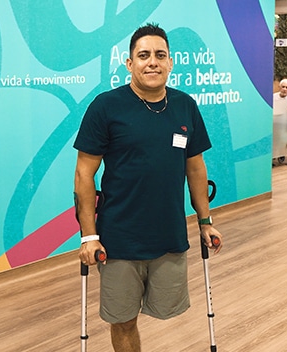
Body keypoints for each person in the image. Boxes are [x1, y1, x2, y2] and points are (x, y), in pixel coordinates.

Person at [73, 23, 223, 352]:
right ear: (129, 64)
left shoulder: (185, 106)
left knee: (168, 311)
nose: (152, 62)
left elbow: (195, 167)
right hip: (118, 239)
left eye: (159, 55)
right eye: (143, 55)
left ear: (170, 62)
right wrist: (88, 235)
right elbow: (85, 173)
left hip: (168, 235)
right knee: (123, 320)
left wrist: (205, 221)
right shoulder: (106, 107)